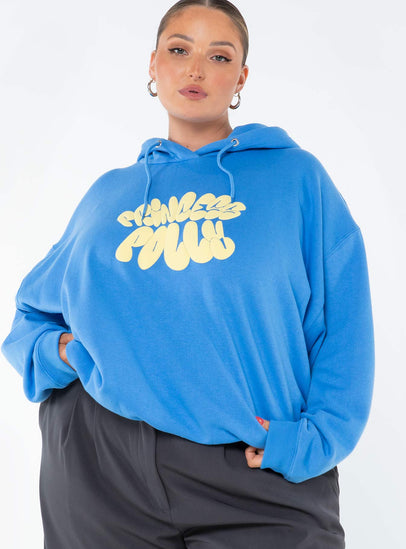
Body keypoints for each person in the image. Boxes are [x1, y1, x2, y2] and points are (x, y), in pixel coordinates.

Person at [1, 0, 375, 547]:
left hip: (252, 469)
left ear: (240, 78)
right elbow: (32, 312)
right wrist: (60, 351)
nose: (196, 69)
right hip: (100, 463)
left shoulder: (295, 179)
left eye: (219, 56)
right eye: (179, 50)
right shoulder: (110, 194)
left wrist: (314, 441)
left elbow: (343, 324)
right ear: (154, 65)